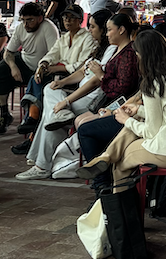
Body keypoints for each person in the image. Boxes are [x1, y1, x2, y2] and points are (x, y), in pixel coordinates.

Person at [76, 27, 166, 196]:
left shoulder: (155, 82)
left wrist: (126, 120)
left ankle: (117, 207)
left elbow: (151, 132)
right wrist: (138, 110)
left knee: (120, 165)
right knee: (136, 120)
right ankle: (105, 157)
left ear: (143, 56)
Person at [22, 10, 140, 180]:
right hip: (88, 94)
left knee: (53, 113)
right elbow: (83, 71)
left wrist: (67, 100)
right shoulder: (103, 48)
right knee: (51, 96)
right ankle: (39, 157)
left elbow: (101, 82)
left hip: (97, 99)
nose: (89, 30)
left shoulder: (120, 52)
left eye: (94, 27)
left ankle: (41, 164)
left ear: (120, 30)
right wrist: (62, 83)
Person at [0, 0, 59, 134]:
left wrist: (42, 67)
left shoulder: (48, 28)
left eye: (30, 20)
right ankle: (4, 112)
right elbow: (8, 52)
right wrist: (13, 67)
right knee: (1, 69)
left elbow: (54, 56)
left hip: (43, 69)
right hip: (23, 62)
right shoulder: (21, 28)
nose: (26, 24)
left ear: (40, 19)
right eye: (23, 20)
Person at [12, 4, 96, 147]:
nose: (67, 21)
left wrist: (59, 68)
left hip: (74, 78)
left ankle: (32, 123)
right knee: (37, 78)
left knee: (42, 89)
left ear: (80, 20)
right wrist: (43, 65)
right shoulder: (64, 37)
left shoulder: (87, 38)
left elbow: (82, 65)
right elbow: (52, 54)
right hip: (59, 74)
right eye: (65, 17)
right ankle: (32, 121)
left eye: (72, 18)